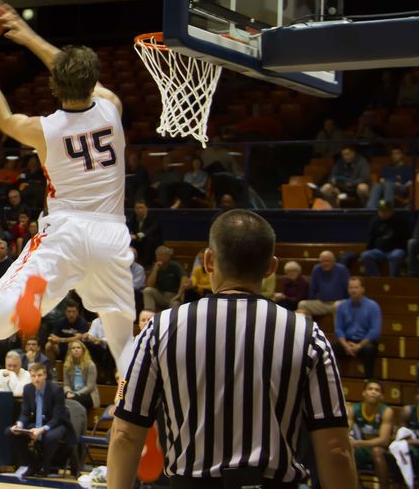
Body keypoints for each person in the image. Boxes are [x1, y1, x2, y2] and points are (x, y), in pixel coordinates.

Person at [108, 210, 355, 489]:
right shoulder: (308, 335)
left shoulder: (159, 328)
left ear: (210, 261)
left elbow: (125, 436)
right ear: (271, 267)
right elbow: (336, 450)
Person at [0, 9, 135, 371]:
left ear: (54, 84)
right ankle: (134, 391)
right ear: (93, 80)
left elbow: (4, 118)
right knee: (121, 335)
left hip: (65, 230)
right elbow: (74, 72)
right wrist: (29, 36)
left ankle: (25, 296)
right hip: (111, 234)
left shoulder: (45, 130)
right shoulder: (111, 108)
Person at [10, 361, 78, 478]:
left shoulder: (56, 390)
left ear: (45, 375)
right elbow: (25, 413)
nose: (36, 379)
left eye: (39, 375)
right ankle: (32, 464)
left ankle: (45, 468)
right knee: (12, 433)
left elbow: (58, 417)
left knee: (49, 437)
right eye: (33, 376)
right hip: (36, 423)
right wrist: (19, 425)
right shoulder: (28, 389)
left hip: (57, 424)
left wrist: (42, 429)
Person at [341, 201, 410, 276]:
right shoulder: (375, 221)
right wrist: (368, 249)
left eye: (386, 211)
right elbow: (371, 238)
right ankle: (376, 280)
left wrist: (406, 253)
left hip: (395, 250)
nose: (383, 213)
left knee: (397, 255)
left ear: (391, 211)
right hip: (379, 251)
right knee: (366, 255)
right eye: (381, 211)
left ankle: (393, 281)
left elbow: (406, 238)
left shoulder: (400, 221)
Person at [333, 277, 382, 379]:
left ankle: (368, 380)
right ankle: (335, 378)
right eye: (351, 288)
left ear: (362, 289)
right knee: (331, 348)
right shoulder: (342, 306)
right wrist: (346, 345)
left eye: (356, 287)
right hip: (347, 341)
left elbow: (375, 331)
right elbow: (338, 329)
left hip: (365, 342)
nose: (353, 290)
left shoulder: (373, 306)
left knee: (369, 349)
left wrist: (359, 345)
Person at [348, 381, 393, 489]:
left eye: (377, 390)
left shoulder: (386, 411)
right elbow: (345, 432)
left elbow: (383, 441)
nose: (373, 392)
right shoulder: (353, 409)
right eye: (370, 389)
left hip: (381, 450)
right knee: (348, 451)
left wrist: (357, 443)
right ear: (364, 393)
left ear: (382, 396)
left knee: (376, 451)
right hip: (361, 449)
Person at [297, 250, 350, 318]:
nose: (325, 263)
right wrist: (312, 300)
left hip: (339, 302)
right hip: (323, 303)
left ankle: (338, 329)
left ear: (333, 261)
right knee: (302, 304)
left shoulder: (342, 269)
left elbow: (348, 288)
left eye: (328, 261)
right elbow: (312, 289)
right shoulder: (316, 269)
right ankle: (309, 328)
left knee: (338, 305)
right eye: (323, 261)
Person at [142, 246, 185, 312]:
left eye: (162, 255)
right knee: (147, 290)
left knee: (175, 304)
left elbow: (184, 279)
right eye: (158, 255)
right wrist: (155, 270)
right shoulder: (156, 266)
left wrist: (179, 294)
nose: (160, 257)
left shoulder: (175, 265)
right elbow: (149, 285)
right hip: (160, 294)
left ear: (168, 256)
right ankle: (149, 314)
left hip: (173, 295)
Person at [62, 340, 99, 412]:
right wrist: (68, 392)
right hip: (72, 393)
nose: (76, 350)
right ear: (70, 351)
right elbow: (66, 385)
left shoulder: (90, 365)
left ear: (83, 350)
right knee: (60, 398)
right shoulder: (67, 365)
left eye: (78, 348)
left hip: (87, 394)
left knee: (73, 401)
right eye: (73, 348)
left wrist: (75, 394)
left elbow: (89, 387)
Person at [127, 200, 162, 267]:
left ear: (146, 208)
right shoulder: (133, 218)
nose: (139, 210)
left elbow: (148, 231)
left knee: (149, 240)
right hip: (139, 243)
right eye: (137, 208)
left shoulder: (154, 218)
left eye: (141, 207)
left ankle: (147, 266)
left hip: (153, 244)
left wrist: (136, 236)